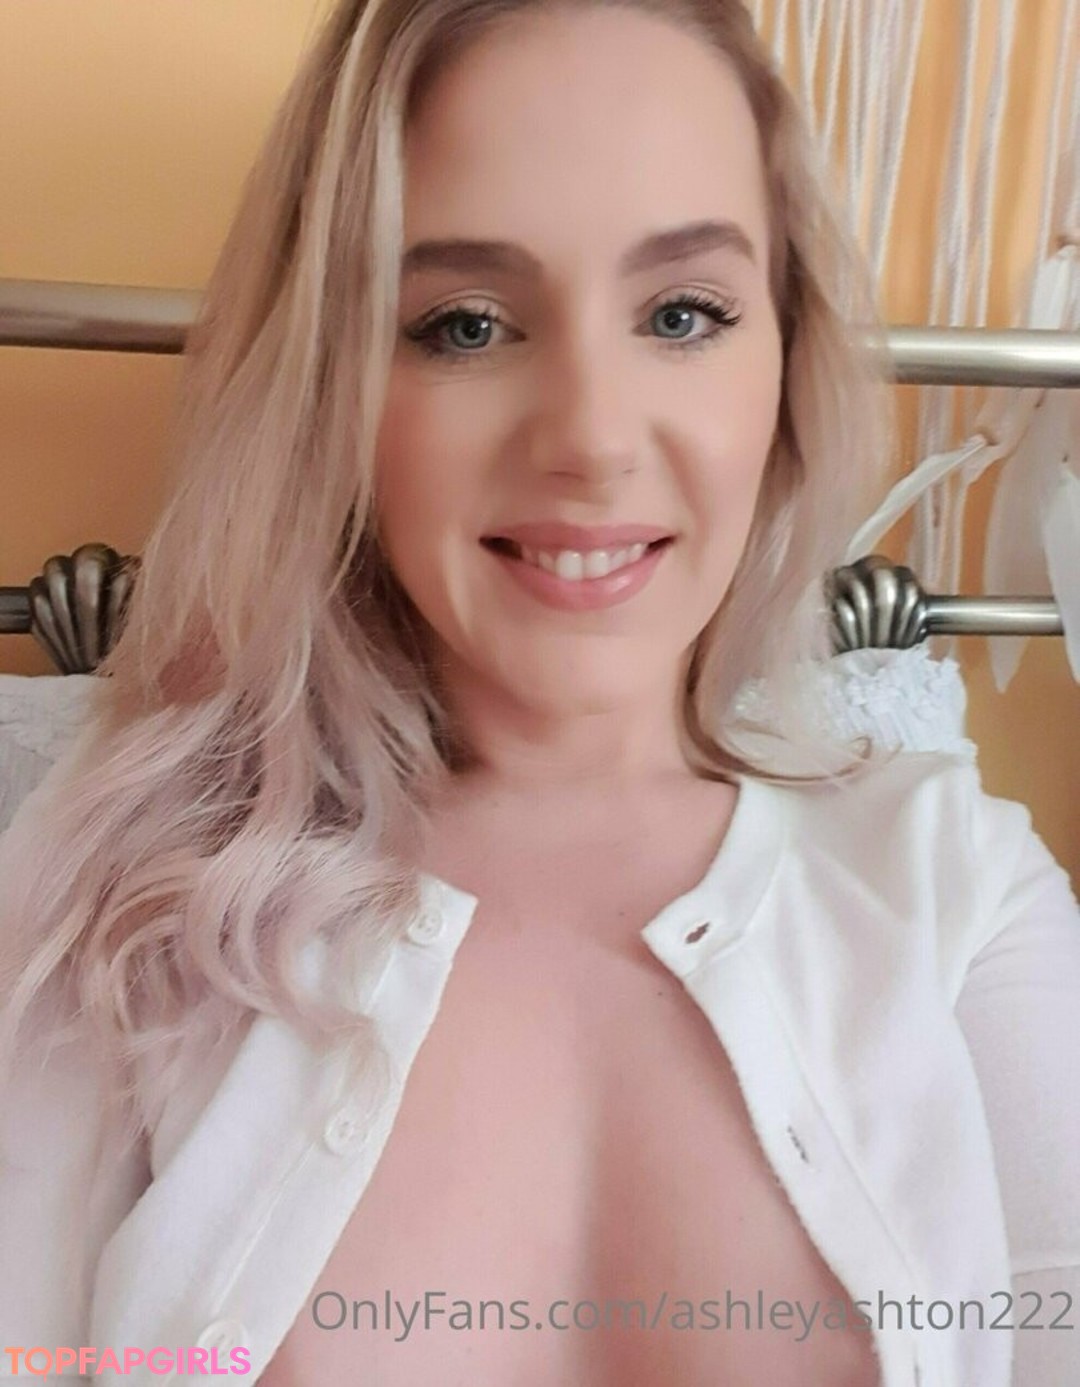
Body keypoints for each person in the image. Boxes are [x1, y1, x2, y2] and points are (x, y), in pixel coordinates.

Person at [1, 0, 1078, 1384]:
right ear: (331, 383)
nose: (591, 438)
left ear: (788, 364)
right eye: (466, 325)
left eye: (682, 314)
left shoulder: (956, 889)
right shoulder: (120, 894)